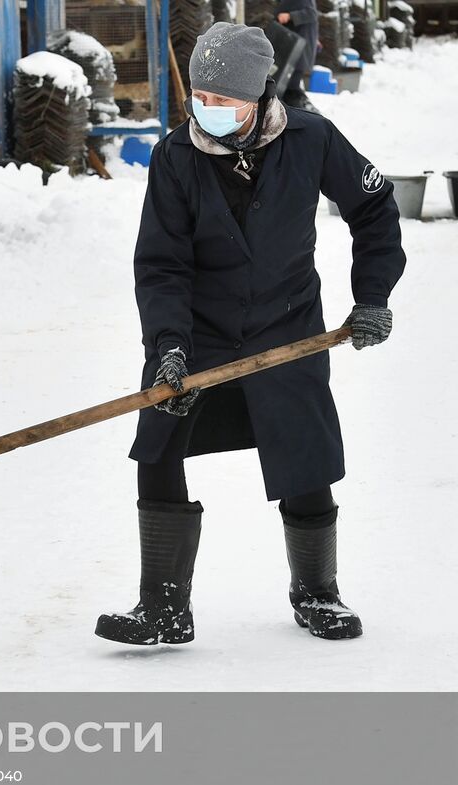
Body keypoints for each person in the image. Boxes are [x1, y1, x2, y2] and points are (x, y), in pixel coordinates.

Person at [95, 22, 405, 646]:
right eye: (200, 100)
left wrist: (371, 297)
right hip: (198, 331)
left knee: (303, 452)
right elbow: (162, 263)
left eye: (224, 103)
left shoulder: (312, 138)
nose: (208, 113)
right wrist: (169, 349)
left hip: (286, 324)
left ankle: (317, 593)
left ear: (260, 98)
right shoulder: (176, 156)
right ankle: (163, 607)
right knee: (158, 444)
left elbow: (373, 208)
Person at [276, 0, 321, 110]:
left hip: (297, 50)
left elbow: (312, 14)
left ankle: (305, 113)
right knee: (288, 86)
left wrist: (290, 16)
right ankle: (306, 111)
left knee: (291, 86)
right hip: (291, 48)